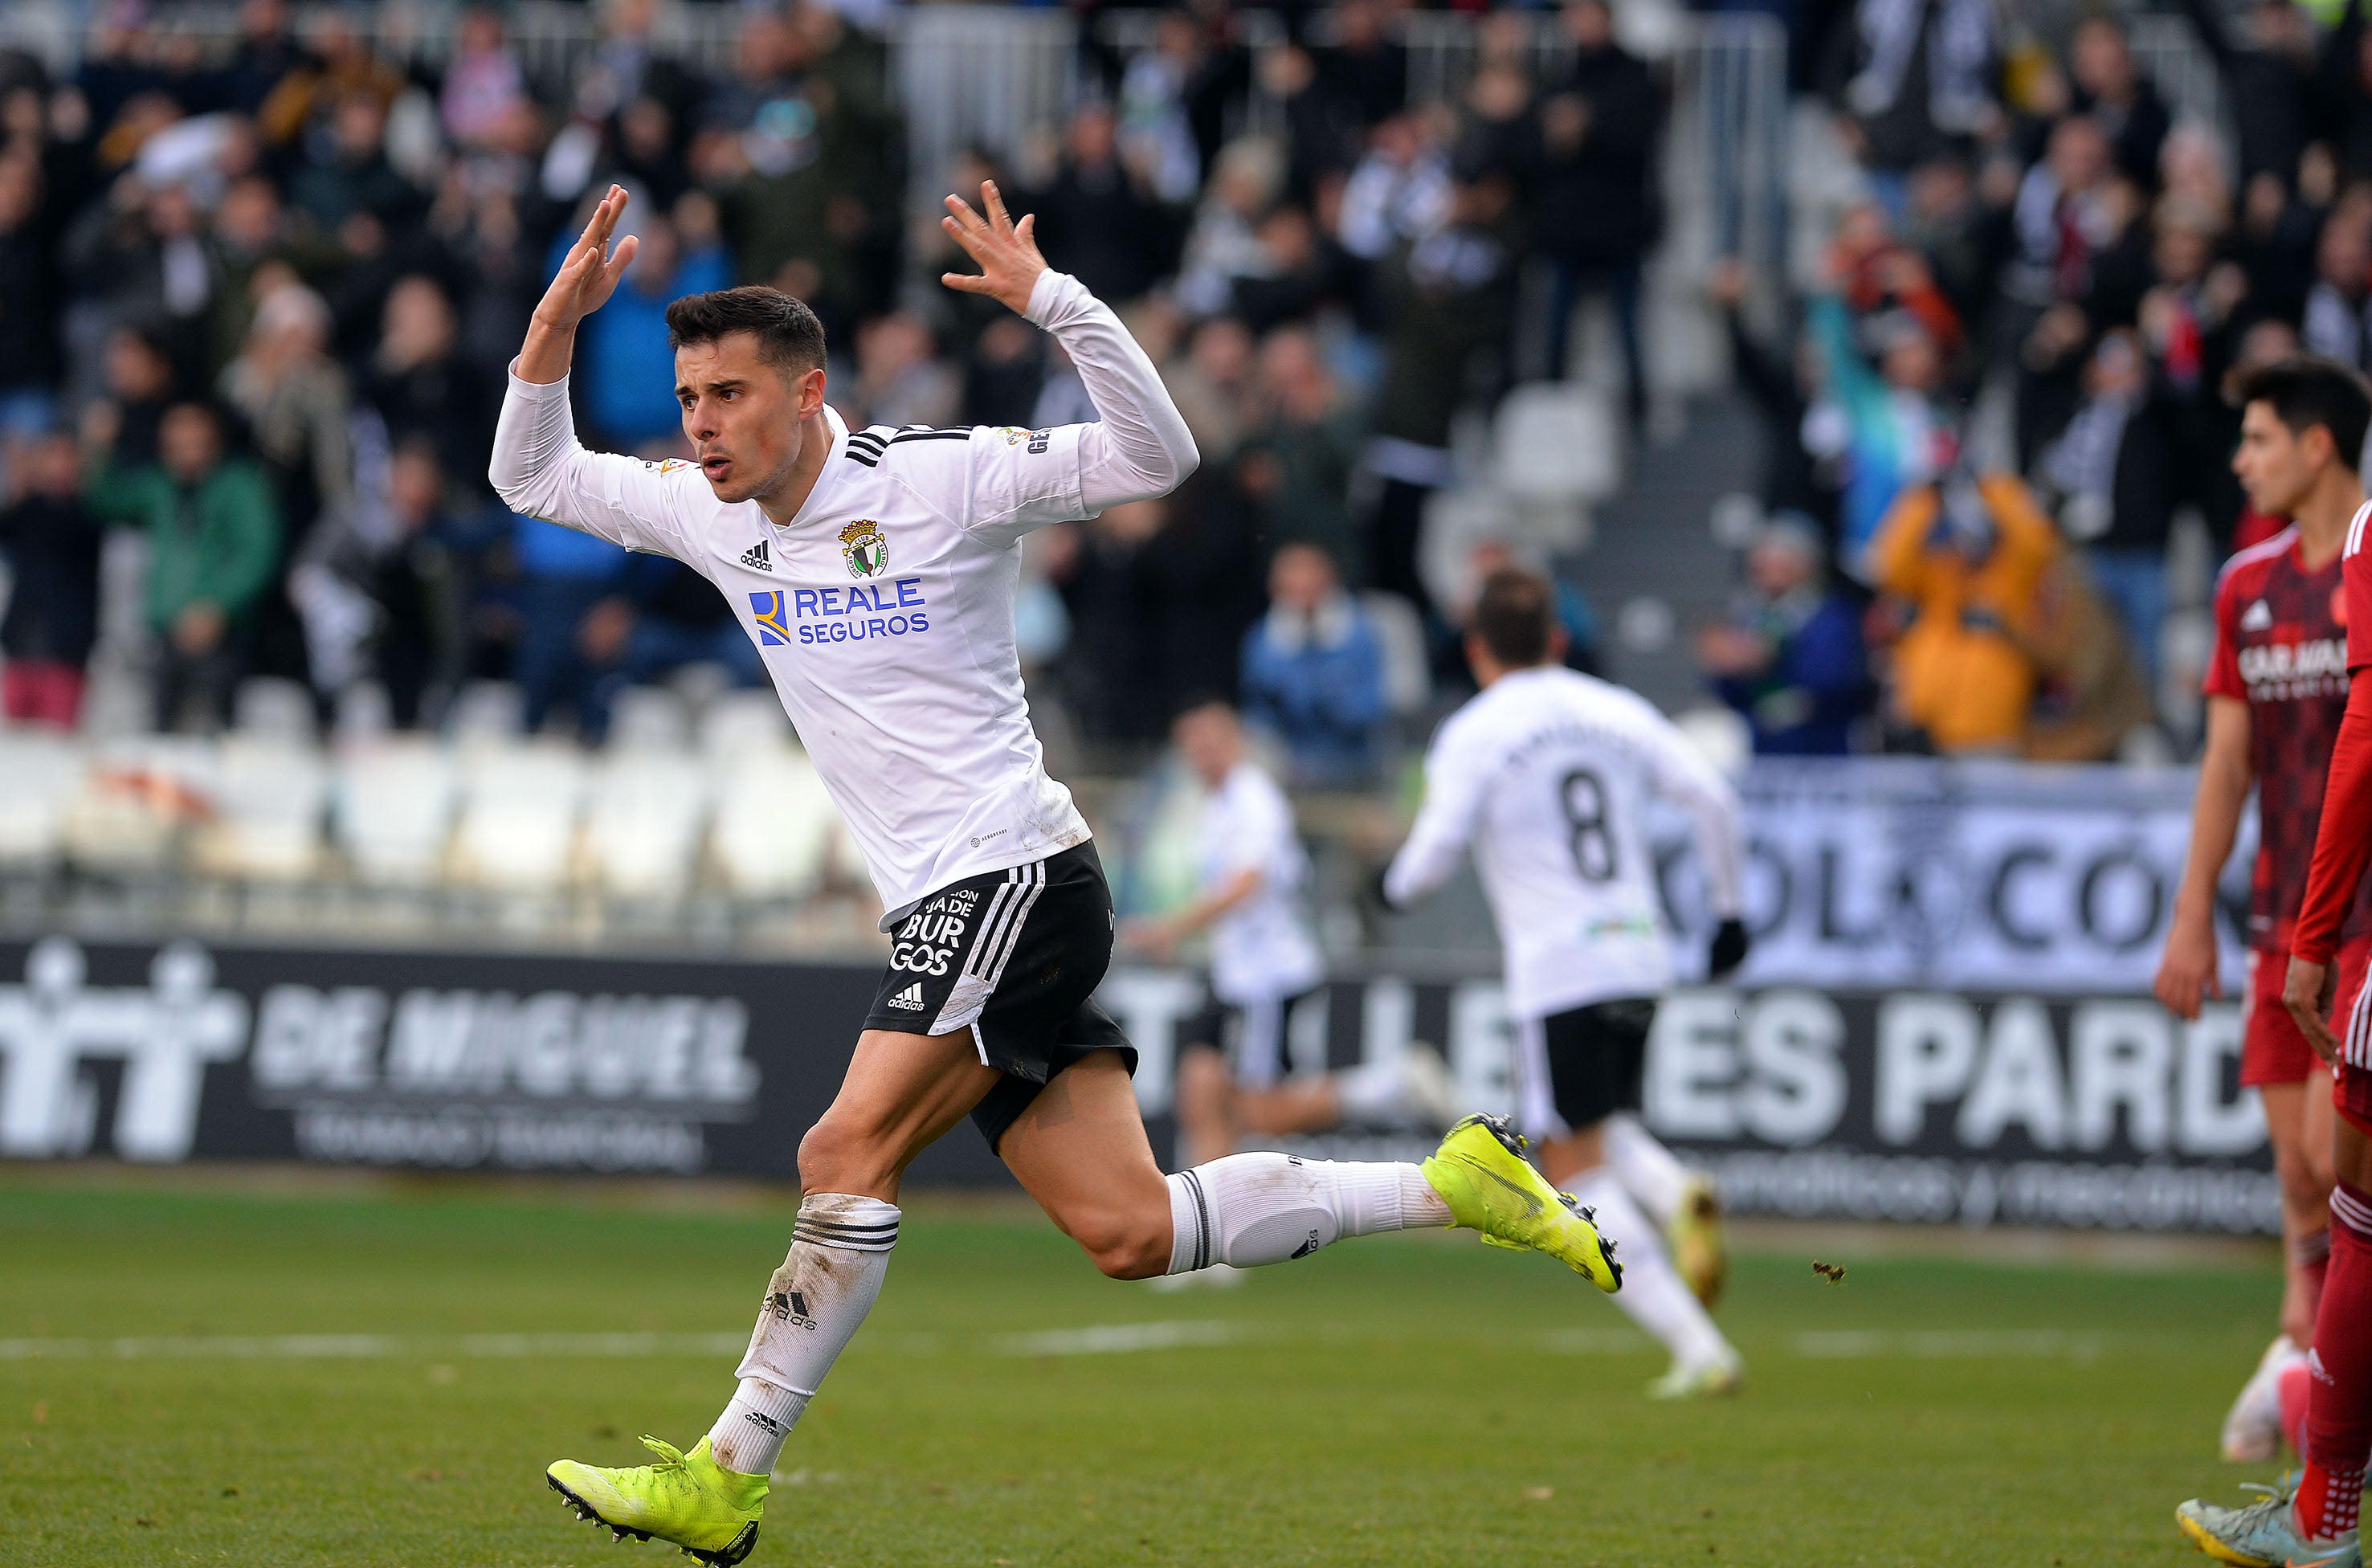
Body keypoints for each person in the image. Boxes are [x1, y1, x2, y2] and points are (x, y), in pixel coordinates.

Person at [500, 185, 1619, 1566]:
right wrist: (552, 327)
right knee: (1131, 1229)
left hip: (1014, 875)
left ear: (807, 390)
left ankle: (727, 1470)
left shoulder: (939, 474)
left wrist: (1056, 304)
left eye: (730, 393)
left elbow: (1158, 456)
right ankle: (1451, 1185)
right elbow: (531, 475)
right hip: (956, 906)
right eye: (687, 396)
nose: (703, 424)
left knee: (840, 1150)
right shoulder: (704, 514)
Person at [1378, 566, 1748, 1398]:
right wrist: (1729, 917)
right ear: (1556, 637)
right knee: (1596, 1124)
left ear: (1475, 649)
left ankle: (1699, 1346)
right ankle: (1671, 1189)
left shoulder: (1476, 729)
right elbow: (1715, 801)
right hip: (1640, 952)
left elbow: (1430, 858)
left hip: (1557, 965)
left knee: (1570, 1164)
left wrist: (1383, 889)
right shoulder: (1617, 709)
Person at [2156, 357, 2372, 1472]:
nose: (2241, 461)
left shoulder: (2370, 571)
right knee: (2295, 1169)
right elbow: (2225, 764)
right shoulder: (2246, 584)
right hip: (2279, 920)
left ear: (2316, 444)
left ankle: (2309, 1376)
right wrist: (2192, 912)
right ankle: (2300, 1349)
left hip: (2363, 921)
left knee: (2329, 1159)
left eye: (2256, 440)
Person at [1123, 700, 1458, 1176]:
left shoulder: (1253, 799)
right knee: (1199, 1091)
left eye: (1211, 742)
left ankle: (1393, 1085)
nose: (1202, 754)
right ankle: (1208, 1225)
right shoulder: (1218, 804)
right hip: (1233, 974)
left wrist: (1170, 928)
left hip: (1267, 979)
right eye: (1192, 746)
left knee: (1255, 1113)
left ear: (1235, 742)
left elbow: (1246, 883)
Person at [84, 401, 281, 733]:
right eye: (175, 443)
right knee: (160, 739)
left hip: (221, 635)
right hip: (166, 632)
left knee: (214, 740)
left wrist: (217, 606)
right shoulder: (161, 487)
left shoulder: (241, 486)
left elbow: (258, 553)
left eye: (194, 440)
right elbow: (105, 501)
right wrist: (99, 450)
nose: (185, 450)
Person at [0, 428, 103, 728]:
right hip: (21, 643)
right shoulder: (28, 509)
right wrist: (19, 487)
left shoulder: (90, 509)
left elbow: (64, 531)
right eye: (50, 455)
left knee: (57, 748)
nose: (59, 464)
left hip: (66, 650)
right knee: (15, 749)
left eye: (67, 455)